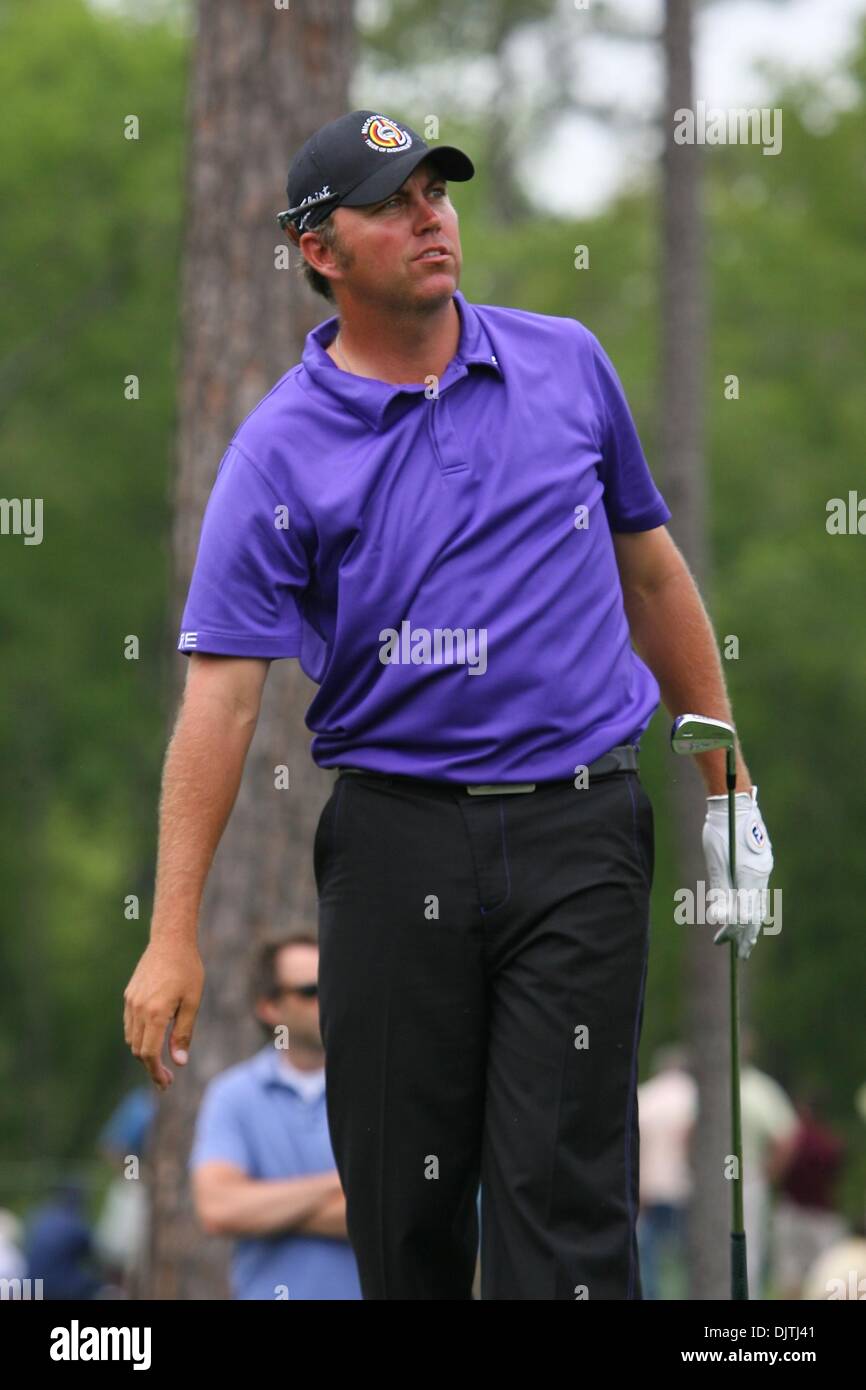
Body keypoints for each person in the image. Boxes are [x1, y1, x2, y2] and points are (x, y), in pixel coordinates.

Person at [124, 110, 775, 1300]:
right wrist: (172, 932)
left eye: (439, 192)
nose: (431, 218)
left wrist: (724, 781)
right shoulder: (275, 453)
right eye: (395, 202)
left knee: (564, 1203)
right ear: (319, 249)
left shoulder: (565, 360)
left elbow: (649, 571)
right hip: (393, 838)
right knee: (405, 1209)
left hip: (581, 828)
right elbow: (217, 707)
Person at [189, 932, 361, 1300]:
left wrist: (265, 1211)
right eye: (310, 991)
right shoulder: (234, 1095)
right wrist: (341, 1184)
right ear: (270, 1007)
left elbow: (406, 1215)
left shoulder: (381, 1090)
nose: (329, 999)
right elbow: (219, 1209)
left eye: (336, 983)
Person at [637, 1044, 697, 1298]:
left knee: (651, 1255)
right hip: (684, 1186)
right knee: (684, 1255)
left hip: (649, 1188)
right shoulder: (693, 1095)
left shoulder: (645, 1096)